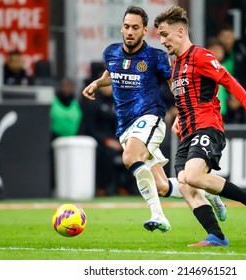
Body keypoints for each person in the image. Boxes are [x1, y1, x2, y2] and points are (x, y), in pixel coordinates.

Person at [82, 6, 226, 233]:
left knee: (130, 156)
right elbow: (112, 74)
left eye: (135, 28)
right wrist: (96, 83)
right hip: (126, 126)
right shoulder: (110, 53)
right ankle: (209, 192)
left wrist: (182, 112)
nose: (130, 31)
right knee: (160, 185)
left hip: (150, 117)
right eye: (127, 26)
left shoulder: (156, 57)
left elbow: (175, 84)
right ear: (121, 28)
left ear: (144, 31)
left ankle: (158, 216)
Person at [154, 5, 246, 246]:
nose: (163, 40)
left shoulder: (201, 56)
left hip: (207, 127)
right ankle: (217, 236)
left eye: (165, 34)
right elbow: (184, 96)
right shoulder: (174, 65)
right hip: (187, 133)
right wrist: (179, 117)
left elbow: (228, 80)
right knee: (186, 184)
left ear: (180, 31)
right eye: (160, 36)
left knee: (194, 176)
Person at [80, 80, 137, 196]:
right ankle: (104, 187)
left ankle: (127, 187)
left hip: (117, 138)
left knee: (133, 151)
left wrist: (123, 140)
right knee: (107, 153)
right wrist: (107, 141)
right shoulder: (93, 102)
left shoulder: (118, 101)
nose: (108, 87)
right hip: (99, 141)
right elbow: (90, 128)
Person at [217, 24, 246, 124]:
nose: (226, 41)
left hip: (237, 100)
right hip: (219, 101)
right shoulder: (213, 59)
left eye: (229, 37)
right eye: (224, 37)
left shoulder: (241, 57)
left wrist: (238, 99)